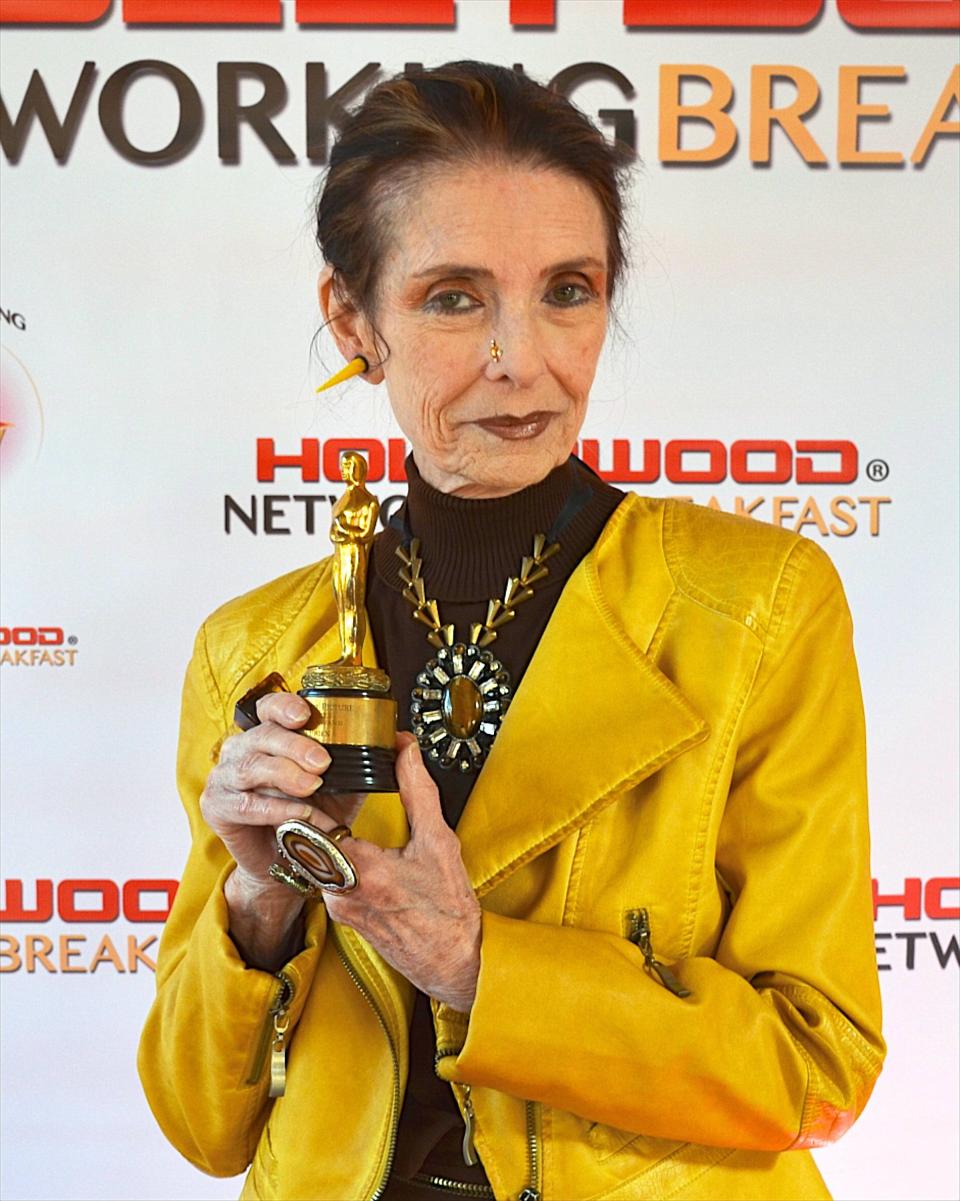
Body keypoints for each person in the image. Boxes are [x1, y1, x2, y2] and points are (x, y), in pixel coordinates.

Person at [138, 60, 885, 1201]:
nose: (521, 359)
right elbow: (202, 1125)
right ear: (353, 314)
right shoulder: (251, 649)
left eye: (568, 291)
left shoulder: (758, 605)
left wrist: (479, 964)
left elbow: (819, 1064)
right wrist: (261, 903)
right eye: (454, 296)